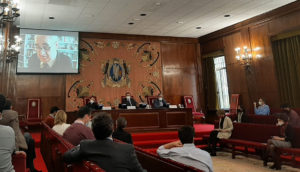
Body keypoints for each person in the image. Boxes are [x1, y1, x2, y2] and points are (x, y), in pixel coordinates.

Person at [63, 112, 145, 172]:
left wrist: (79, 146)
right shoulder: (127, 150)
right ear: (112, 129)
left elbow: (66, 157)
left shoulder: (86, 146)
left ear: (93, 130)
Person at [0, 99, 41, 172]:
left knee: (28, 136)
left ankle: (31, 167)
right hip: (14, 142)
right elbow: (15, 133)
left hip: (8, 140)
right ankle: (31, 166)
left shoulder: (2, 115)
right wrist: (16, 151)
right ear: (10, 107)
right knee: (30, 140)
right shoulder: (13, 114)